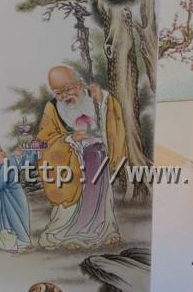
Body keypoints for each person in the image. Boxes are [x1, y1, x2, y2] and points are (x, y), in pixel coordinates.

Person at [36, 65, 127, 251]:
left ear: (80, 84)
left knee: (100, 197)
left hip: (98, 158)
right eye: (58, 93)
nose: (65, 96)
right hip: (71, 163)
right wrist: (69, 139)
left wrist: (102, 105)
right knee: (76, 200)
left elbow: (115, 127)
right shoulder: (52, 108)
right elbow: (45, 139)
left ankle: (104, 231)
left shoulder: (100, 98)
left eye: (68, 89)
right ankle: (72, 234)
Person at [0, 142, 37, 253]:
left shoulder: (11, 159)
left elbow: (25, 164)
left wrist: (28, 152)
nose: (2, 153)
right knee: (9, 220)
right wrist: (13, 158)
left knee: (22, 216)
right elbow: (0, 182)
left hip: (17, 193)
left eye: (1, 150)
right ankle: (9, 244)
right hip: (5, 198)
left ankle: (22, 241)